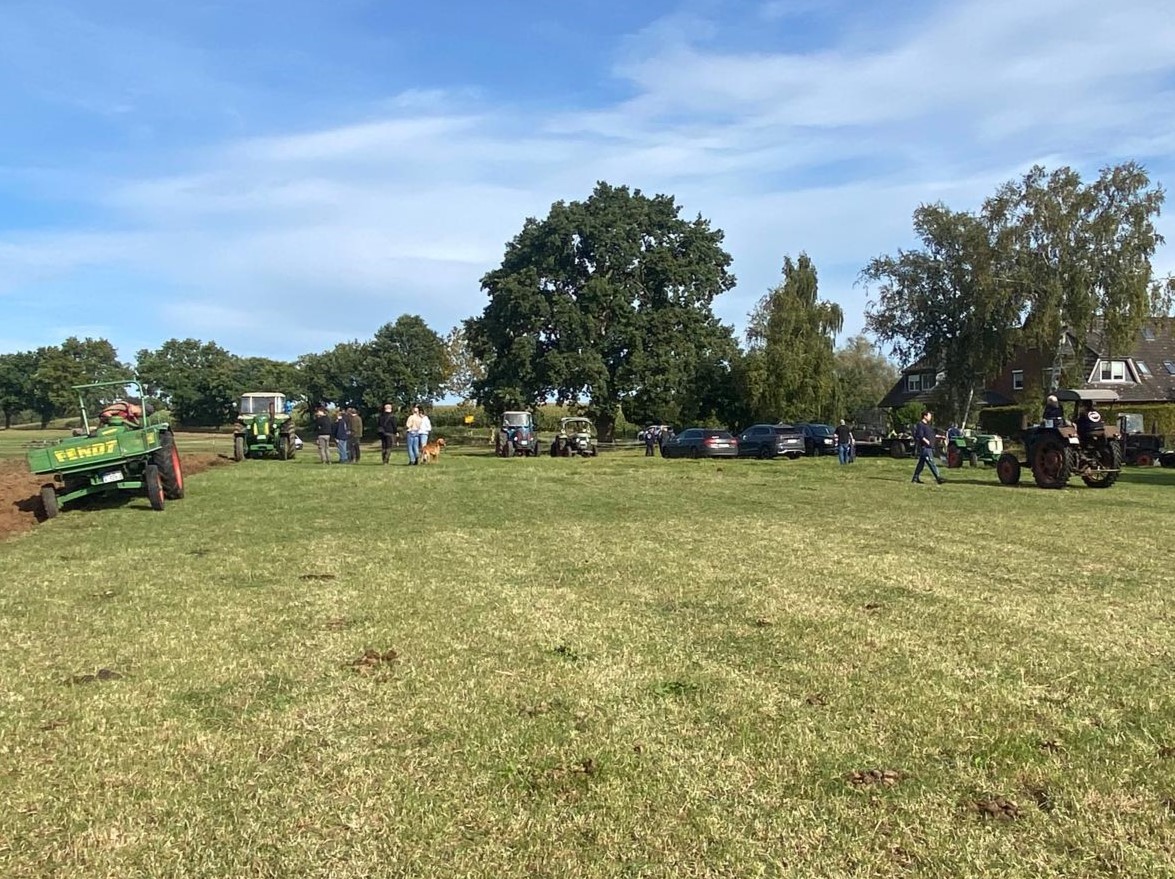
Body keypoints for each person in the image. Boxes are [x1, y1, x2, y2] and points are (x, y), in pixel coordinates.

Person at [911, 410, 945, 485]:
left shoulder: (928, 426)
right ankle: (938, 478)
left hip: (929, 447)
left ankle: (915, 478)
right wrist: (926, 441)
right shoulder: (920, 425)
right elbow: (920, 435)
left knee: (921, 464)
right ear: (925, 416)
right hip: (925, 447)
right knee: (931, 462)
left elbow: (933, 435)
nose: (930, 417)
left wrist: (941, 437)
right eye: (929, 416)